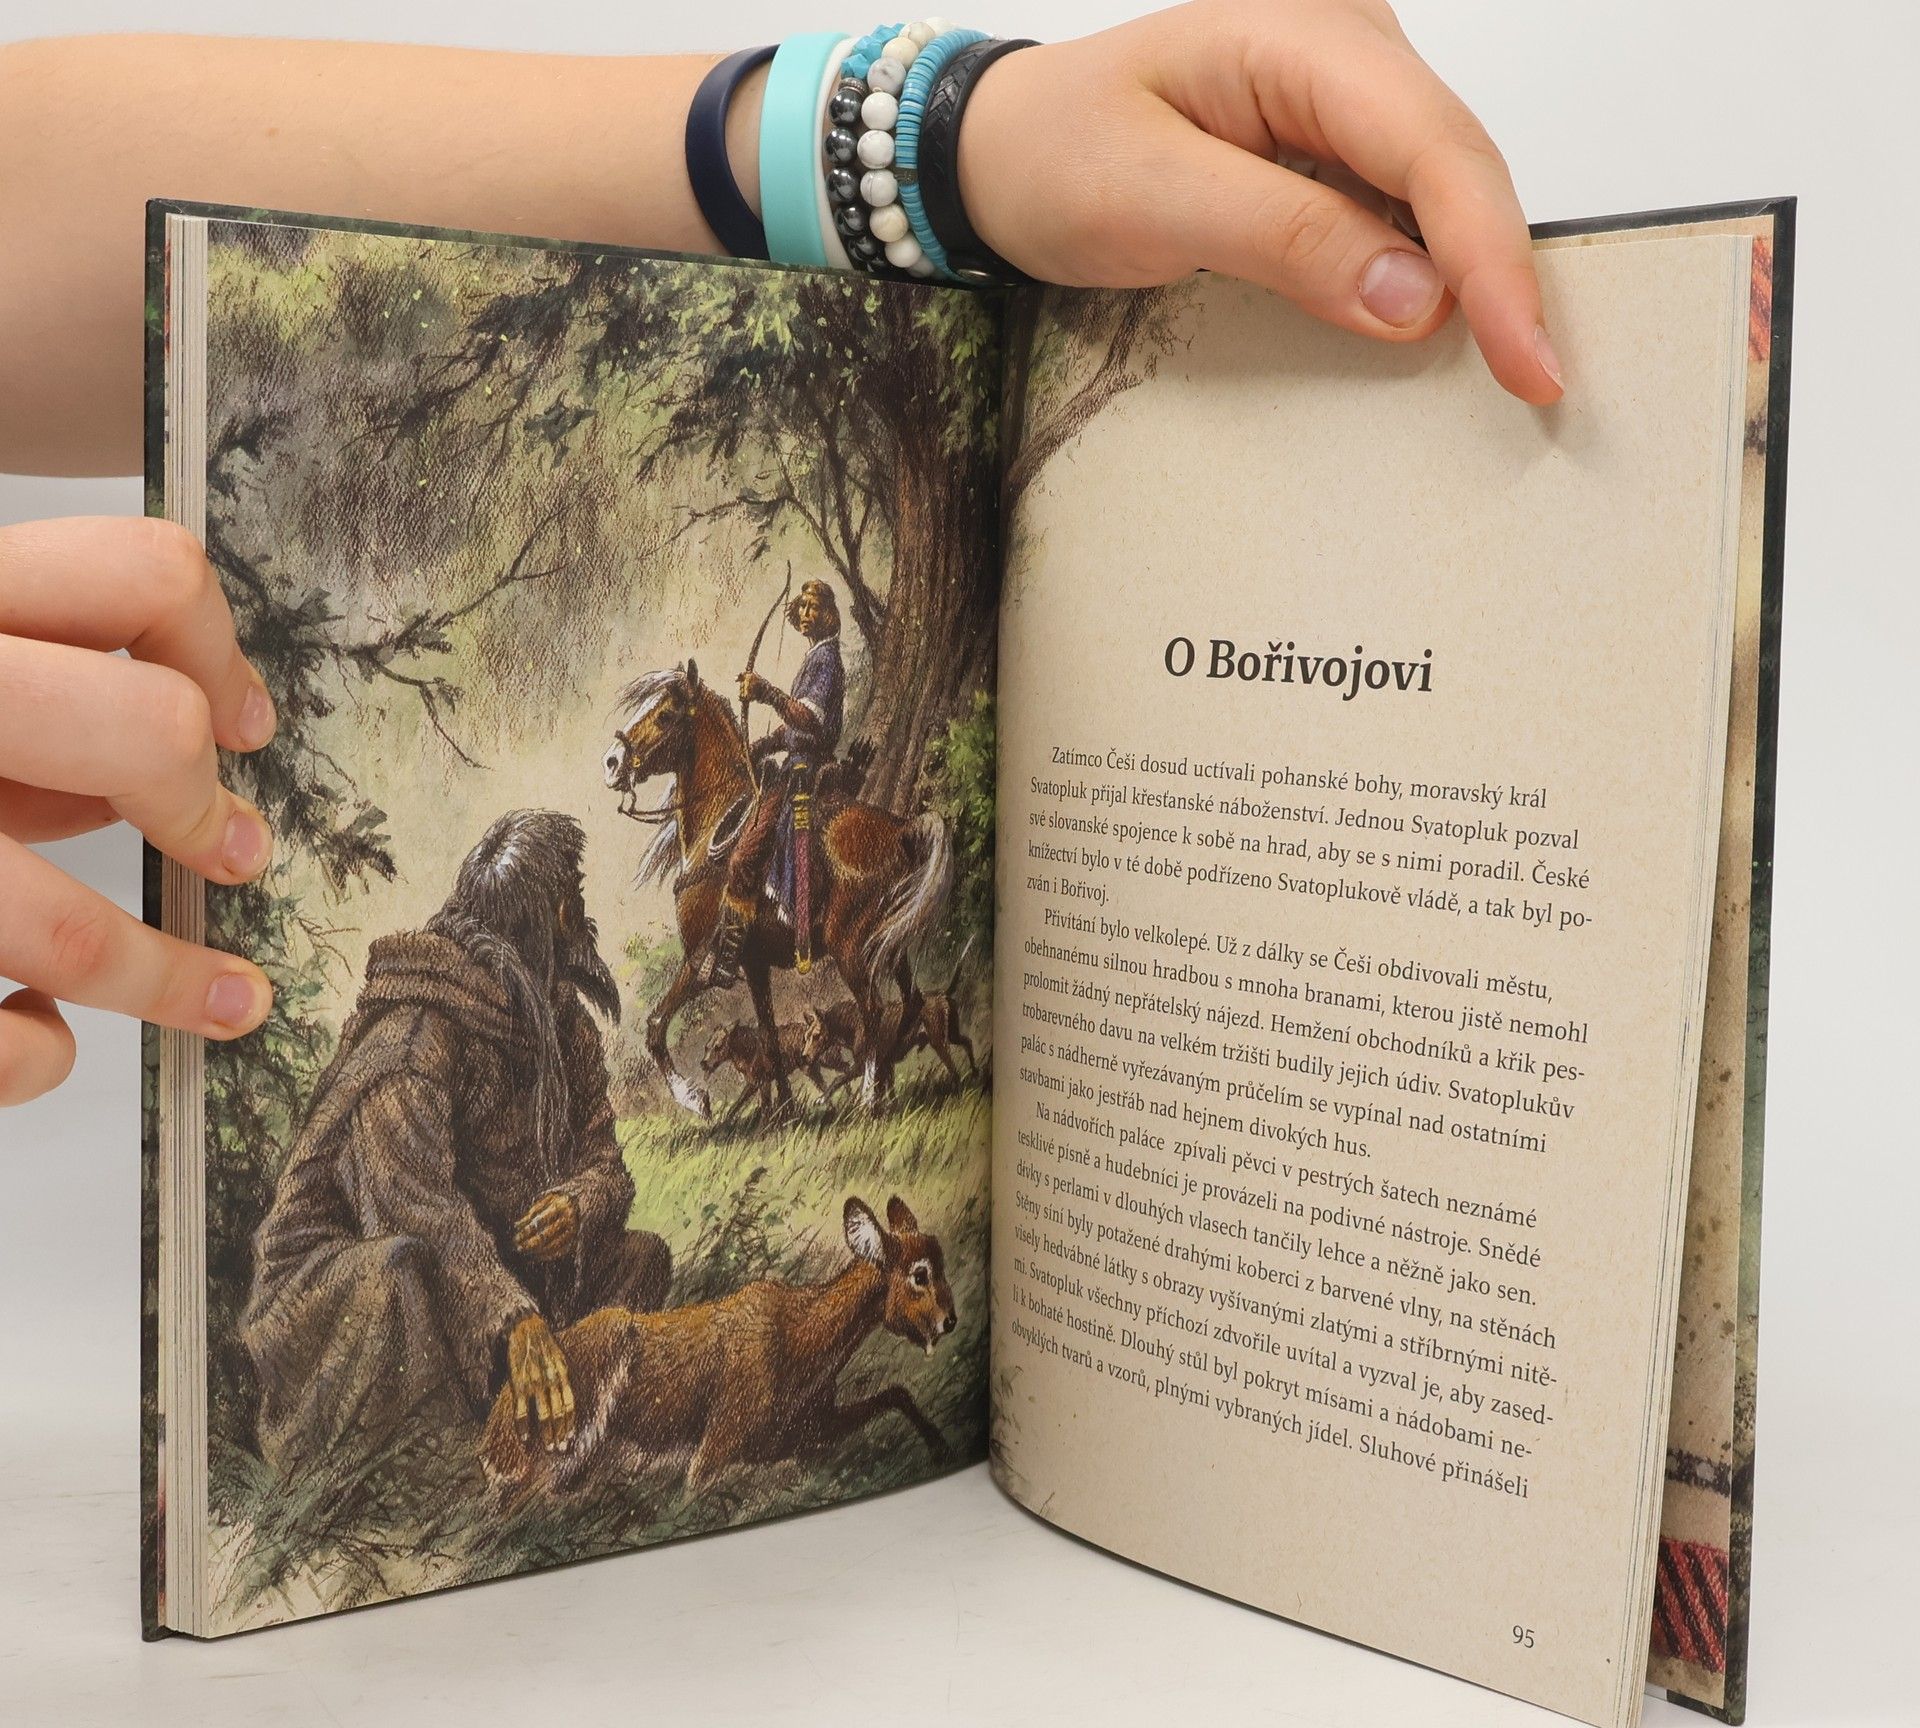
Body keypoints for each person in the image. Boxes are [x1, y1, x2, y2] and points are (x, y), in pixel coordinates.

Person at [0, 3, 1560, 1106]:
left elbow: (41, 182)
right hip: (777, 755)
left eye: (814, 602)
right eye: (812, 601)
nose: (814, 608)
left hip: (806, 772)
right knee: (727, 828)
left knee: (764, 838)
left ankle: (806, 926)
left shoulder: (816, 658)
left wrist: (954, 139)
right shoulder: (791, 656)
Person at [242, 810, 672, 1469]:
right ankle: (437, 1472)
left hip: (481, 1275)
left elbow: (605, 1165)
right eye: (573, 898)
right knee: (396, 1271)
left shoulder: (562, 1027)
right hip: (340, 1299)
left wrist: (579, 1204)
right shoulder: (415, 1033)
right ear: (550, 915)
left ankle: (564, 1437)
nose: (581, 917)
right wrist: (514, 1320)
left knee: (640, 1259)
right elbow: (414, 1209)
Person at [704, 578, 847, 989]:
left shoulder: (826, 660)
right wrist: (762, 746)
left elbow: (810, 720)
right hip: (795, 763)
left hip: (805, 771)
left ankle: (730, 957)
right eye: (802, 606)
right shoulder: (816, 657)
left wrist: (767, 692)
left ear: (829, 615)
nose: (806, 613)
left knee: (742, 858)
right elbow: (794, 727)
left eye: (814, 606)